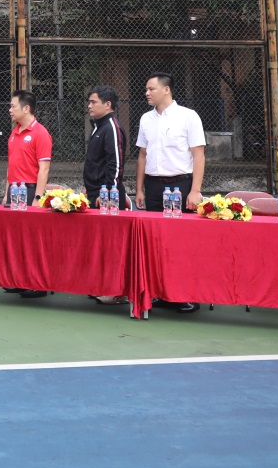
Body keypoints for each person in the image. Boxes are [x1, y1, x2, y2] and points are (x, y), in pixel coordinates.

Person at [133, 72, 205, 314]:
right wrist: (139, 189)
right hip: (154, 187)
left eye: (151, 89)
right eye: (146, 89)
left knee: (181, 242)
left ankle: (185, 294)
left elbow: (198, 155)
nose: (147, 93)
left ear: (166, 90)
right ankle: (160, 292)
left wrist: (195, 190)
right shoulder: (146, 119)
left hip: (181, 185)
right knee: (155, 241)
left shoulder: (188, 116)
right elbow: (142, 155)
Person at [81, 85, 126, 208]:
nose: (89, 106)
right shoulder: (98, 125)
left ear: (107, 104)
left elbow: (116, 165)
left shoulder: (112, 127)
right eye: (89, 102)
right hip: (94, 193)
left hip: (106, 196)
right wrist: (88, 188)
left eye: (93, 102)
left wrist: (108, 193)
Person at [6, 90, 52, 205]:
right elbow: (11, 166)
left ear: (26, 108)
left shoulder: (41, 133)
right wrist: (6, 194)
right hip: (13, 189)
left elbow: (44, 169)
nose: (10, 110)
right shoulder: (14, 132)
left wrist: (38, 197)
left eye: (13, 107)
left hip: (29, 191)